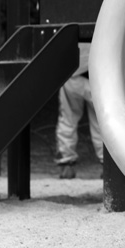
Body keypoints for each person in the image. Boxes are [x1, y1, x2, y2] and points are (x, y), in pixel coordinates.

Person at [54, 42, 103, 178]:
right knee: (101, 121)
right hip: (96, 73)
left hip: (71, 71)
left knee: (68, 118)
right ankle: (108, 164)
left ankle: (66, 164)